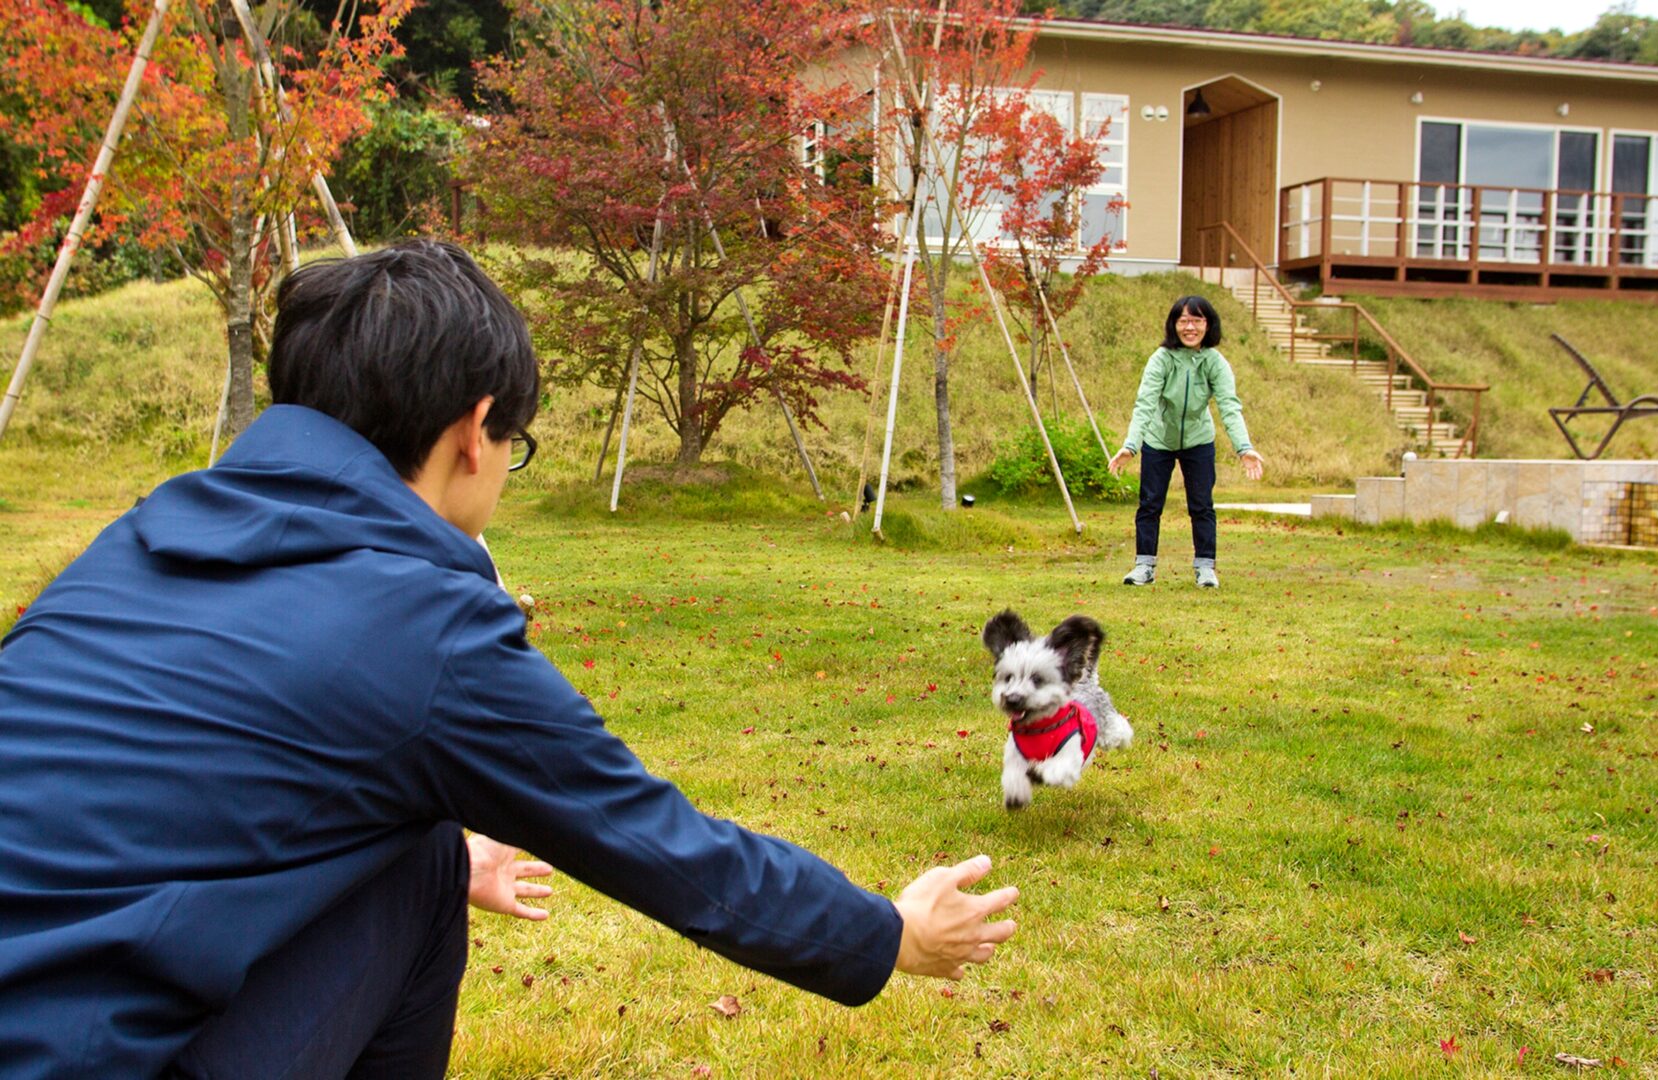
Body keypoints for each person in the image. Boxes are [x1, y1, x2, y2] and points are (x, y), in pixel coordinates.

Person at [0, 241, 1017, 1079]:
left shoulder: (138, 538)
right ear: (477, 431)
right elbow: (658, 842)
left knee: (422, 850)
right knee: (429, 861)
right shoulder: (419, 622)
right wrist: (887, 937)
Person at [1106, 295, 1265, 588]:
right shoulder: (1161, 359)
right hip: (1159, 440)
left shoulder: (1215, 362)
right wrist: (1131, 445)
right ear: (1174, 324)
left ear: (1208, 324)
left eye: (1197, 320)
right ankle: (1144, 566)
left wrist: (1244, 448)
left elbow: (1230, 406)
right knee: (1150, 504)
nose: (1190, 327)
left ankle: (1205, 568)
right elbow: (1145, 404)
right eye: (1184, 321)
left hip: (1199, 441)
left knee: (1201, 505)